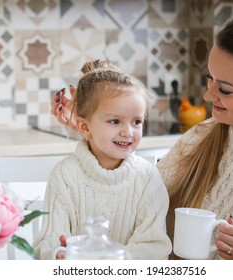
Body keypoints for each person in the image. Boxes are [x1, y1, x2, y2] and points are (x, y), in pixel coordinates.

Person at [50, 11, 233, 260]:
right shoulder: (201, 137)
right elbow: (138, 194)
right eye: (210, 79)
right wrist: (97, 134)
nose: (208, 96)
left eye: (225, 90)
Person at [33, 59, 172, 260]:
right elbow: (48, 242)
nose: (128, 132)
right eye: (115, 121)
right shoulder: (64, 176)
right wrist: (57, 254)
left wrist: (110, 261)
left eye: (136, 121)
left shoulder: (148, 177)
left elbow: (153, 247)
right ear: (84, 127)